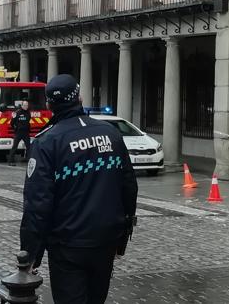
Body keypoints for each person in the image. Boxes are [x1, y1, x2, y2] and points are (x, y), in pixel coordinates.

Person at [20, 74, 137, 304]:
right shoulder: (111, 134)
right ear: (80, 98)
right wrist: (122, 238)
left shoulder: (47, 142)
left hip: (68, 246)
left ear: (49, 105)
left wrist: (31, 254)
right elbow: (129, 187)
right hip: (105, 240)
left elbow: (37, 204)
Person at [9, 100, 32, 166]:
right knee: (14, 147)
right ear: (22, 106)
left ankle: (29, 160)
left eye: (27, 105)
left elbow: (28, 121)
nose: (26, 107)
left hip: (26, 133)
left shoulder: (28, 113)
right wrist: (16, 128)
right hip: (18, 133)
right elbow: (12, 123)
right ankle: (11, 161)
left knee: (29, 147)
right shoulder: (17, 113)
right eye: (24, 105)